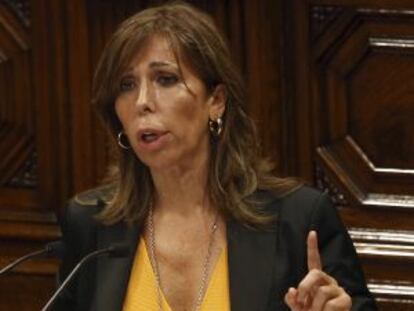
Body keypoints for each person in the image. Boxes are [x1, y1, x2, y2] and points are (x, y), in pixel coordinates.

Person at [53, 1, 377, 311]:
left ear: (216, 101)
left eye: (166, 79)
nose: (142, 101)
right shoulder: (90, 224)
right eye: (126, 85)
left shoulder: (299, 219)